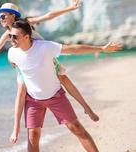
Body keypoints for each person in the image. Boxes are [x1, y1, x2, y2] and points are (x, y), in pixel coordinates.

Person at [0, 0, 99, 123]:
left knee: (64, 79)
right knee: (21, 90)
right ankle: (17, 128)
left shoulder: (26, 24)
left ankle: (86, 107)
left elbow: (48, 16)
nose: (0, 19)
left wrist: (70, 8)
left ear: (13, 15)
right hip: (27, 63)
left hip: (44, 56)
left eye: (3, 16)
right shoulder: (7, 35)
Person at [7, 20, 122, 152]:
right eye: (10, 36)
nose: (11, 39)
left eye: (14, 36)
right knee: (33, 136)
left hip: (56, 96)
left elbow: (72, 49)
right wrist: (16, 129)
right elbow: (19, 78)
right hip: (33, 100)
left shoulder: (45, 47)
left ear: (26, 37)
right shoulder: (12, 53)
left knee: (77, 129)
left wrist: (101, 49)